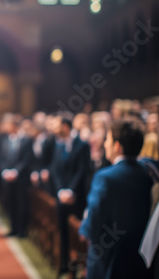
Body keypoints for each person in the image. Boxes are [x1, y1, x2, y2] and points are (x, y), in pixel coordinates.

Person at [80, 119, 153, 279]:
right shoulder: (146, 172)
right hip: (140, 255)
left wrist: (84, 228)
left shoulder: (105, 177)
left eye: (108, 139)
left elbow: (93, 224)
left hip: (108, 258)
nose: (105, 144)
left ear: (117, 146)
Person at [47, 116, 91, 273]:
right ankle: (63, 265)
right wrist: (60, 191)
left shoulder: (82, 145)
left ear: (65, 127)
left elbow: (82, 171)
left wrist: (70, 190)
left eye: (57, 126)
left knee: (76, 233)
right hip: (61, 196)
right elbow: (54, 170)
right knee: (63, 231)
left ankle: (77, 266)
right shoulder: (58, 145)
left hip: (76, 197)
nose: (54, 129)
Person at [0, 115, 33, 237]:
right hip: (7, 178)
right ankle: (13, 228)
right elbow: (1, 158)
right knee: (10, 203)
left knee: (22, 204)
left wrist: (16, 172)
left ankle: (22, 230)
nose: (6, 127)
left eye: (8, 124)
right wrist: (5, 171)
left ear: (14, 125)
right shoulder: (5, 139)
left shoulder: (26, 140)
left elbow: (26, 159)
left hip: (20, 178)